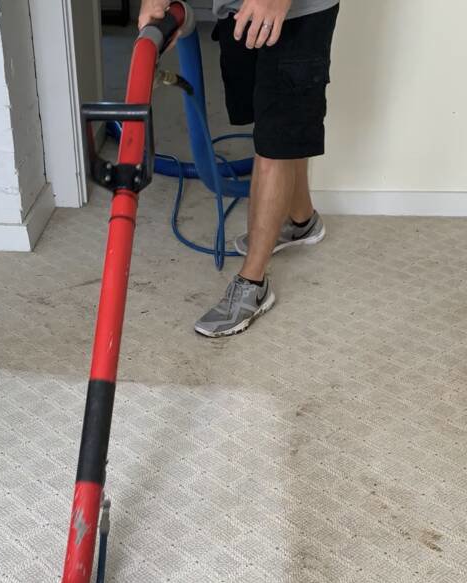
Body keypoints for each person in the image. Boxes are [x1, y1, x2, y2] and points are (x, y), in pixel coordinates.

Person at [138, 0, 340, 337]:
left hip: (297, 13)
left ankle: (253, 283)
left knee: (274, 144)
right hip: (236, 8)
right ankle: (303, 222)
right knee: (277, 124)